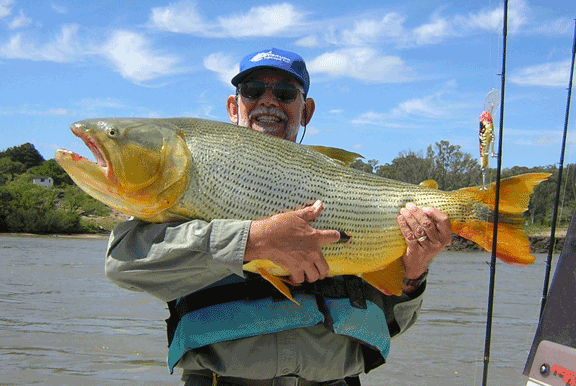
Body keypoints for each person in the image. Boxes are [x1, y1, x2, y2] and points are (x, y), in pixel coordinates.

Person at [105, 48, 452, 386]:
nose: (268, 101)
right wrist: (253, 241)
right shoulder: (192, 180)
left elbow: (394, 325)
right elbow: (123, 264)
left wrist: (413, 273)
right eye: (253, 91)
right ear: (233, 105)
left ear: (306, 111)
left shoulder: (344, 194)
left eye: (285, 92)